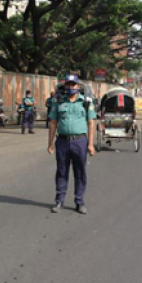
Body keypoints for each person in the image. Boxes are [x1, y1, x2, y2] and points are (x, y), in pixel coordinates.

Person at [47, 74, 96, 214]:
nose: (70, 87)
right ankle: (59, 201)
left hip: (80, 141)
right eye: (68, 85)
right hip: (62, 141)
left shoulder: (86, 103)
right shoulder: (58, 102)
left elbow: (91, 123)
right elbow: (53, 123)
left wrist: (91, 144)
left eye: (73, 85)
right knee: (61, 172)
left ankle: (79, 201)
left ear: (78, 86)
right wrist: (50, 143)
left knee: (80, 172)